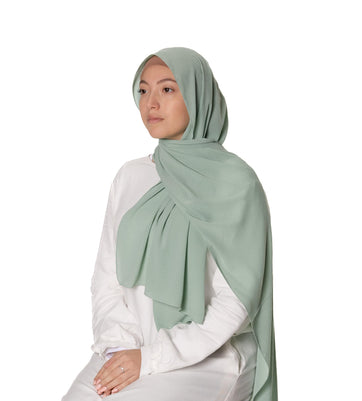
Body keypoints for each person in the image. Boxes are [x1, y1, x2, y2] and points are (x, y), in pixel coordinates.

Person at [61, 47, 277, 401]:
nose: (151, 103)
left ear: (197, 95)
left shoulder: (235, 184)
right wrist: (121, 348)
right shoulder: (131, 176)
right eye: (143, 90)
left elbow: (237, 301)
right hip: (130, 347)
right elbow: (106, 278)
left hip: (212, 356)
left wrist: (152, 358)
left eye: (167, 89)